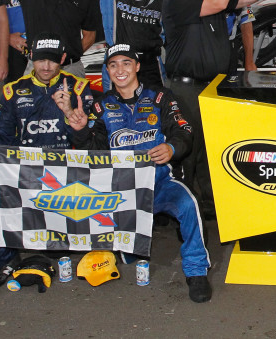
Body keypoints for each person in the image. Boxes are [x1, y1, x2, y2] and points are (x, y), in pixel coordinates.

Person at [68, 44, 212, 303]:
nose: (119, 69)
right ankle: (129, 245)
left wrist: (171, 147)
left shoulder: (161, 97)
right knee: (122, 255)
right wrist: (79, 130)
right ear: (107, 71)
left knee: (189, 204)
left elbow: (184, 131)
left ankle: (196, 271)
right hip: (120, 189)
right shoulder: (101, 106)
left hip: (159, 181)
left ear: (136, 66)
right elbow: (92, 152)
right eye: (113, 65)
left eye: (125, 63)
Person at [0, 36, 95, 290]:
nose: (46, 66)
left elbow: (88, 136)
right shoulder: (14, 89)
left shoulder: (79, 87)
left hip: (67, 168)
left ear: (63, 60)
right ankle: (6, 261)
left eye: (53, 61)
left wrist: (69, 112)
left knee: (59, 249)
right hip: (23, 169)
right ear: (31, 59)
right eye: (40, 60)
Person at [162, 0, 263, 218]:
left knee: (212, 149)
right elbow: (218, 2)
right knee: (190, 151)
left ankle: (208, 208)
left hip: (214, 87)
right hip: (187, 89)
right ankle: (183, 210)